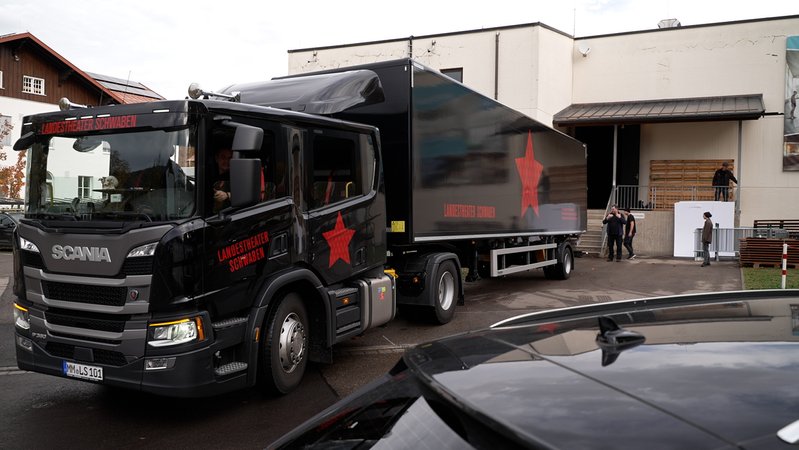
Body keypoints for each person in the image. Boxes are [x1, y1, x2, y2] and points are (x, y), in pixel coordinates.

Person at [213, 147, 233, 212]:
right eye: (223, 157)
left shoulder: (237, 177)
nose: (227, 161)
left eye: (230, 158)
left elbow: (244, 194)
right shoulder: (209, 176)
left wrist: (227, 195)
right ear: (217, 159)